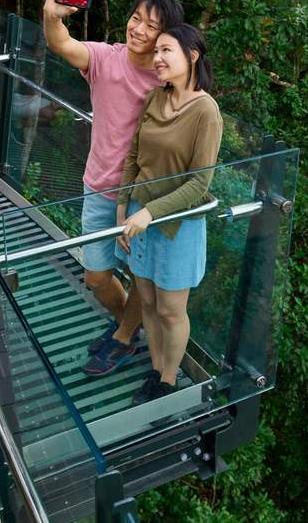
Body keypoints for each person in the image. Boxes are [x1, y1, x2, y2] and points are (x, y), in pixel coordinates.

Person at [42, 0, 184, 376]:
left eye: (151, 26)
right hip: (99, 187)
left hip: (142, 198)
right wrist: (52, 14)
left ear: (166, 37)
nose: (138, 29)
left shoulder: (169, 79)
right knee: (97, 277)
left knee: (141, 278)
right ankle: (129, 328)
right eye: (135, 18)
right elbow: (63, 44)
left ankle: (123, 338)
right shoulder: (106, 58)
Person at [116, 24, 222, 404]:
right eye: (156, 51)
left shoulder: (206, 111)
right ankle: (156, 370)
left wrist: (149, 213)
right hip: (138, 218)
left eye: (166, 51)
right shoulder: (154, 98)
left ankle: (169, 378)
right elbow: (133, 157)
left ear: (192, 56)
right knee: (146, 302)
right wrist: (122, 208)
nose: (157, 58)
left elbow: (199, 184)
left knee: (171, 311)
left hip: (176, 226)